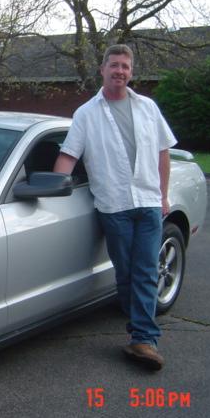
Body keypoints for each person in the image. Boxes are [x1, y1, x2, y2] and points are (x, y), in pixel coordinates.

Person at [53, 44, 177, 371]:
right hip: (114, 206)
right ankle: (137, 321)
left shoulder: (148, 107)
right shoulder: (86, 113)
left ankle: (143, 339)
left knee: (146, 270)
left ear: (131, 72)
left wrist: (163, 196)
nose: (119, 71)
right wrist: (51, 190)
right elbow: (68, 155)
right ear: (103, 70)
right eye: (114, 65)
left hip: (148, 201)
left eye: (125, 66)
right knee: (126, 272)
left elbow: (163, 153)